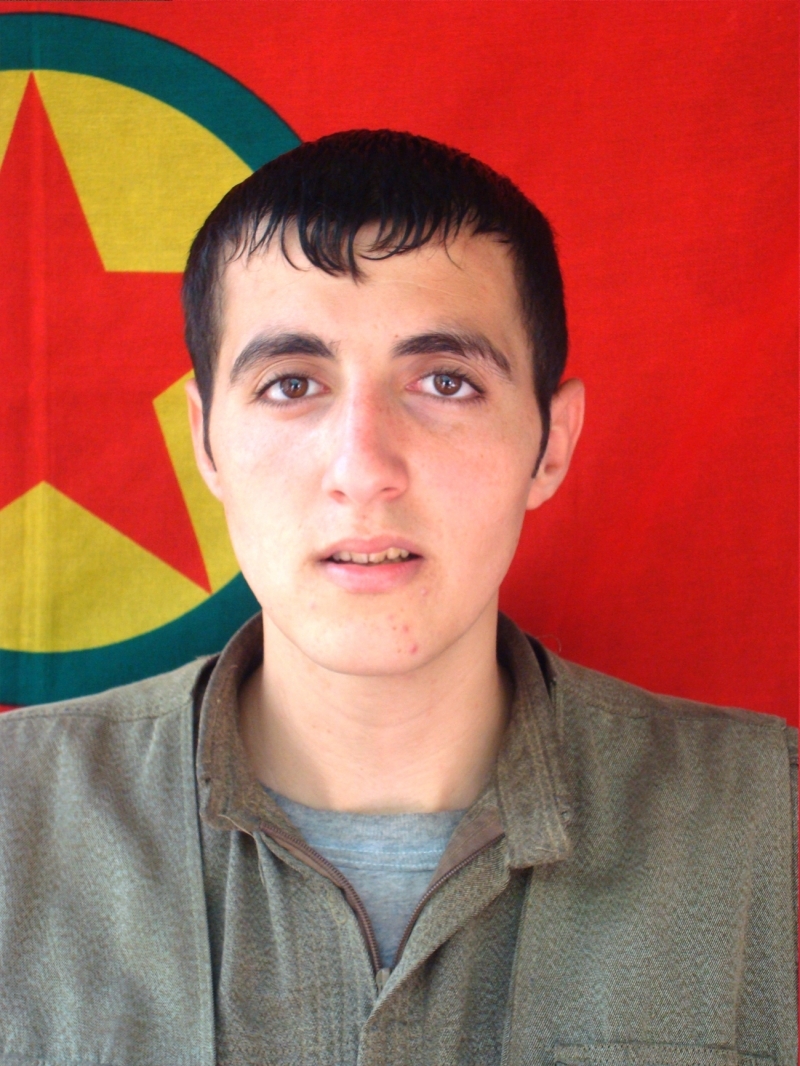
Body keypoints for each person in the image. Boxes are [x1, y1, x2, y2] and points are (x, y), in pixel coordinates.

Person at [0, 130, 796, 1065]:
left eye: (446, 383)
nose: (364, 468)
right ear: (206, 442)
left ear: (552, 443)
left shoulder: (770, 827)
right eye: (291, 385)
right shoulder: (16, 819)